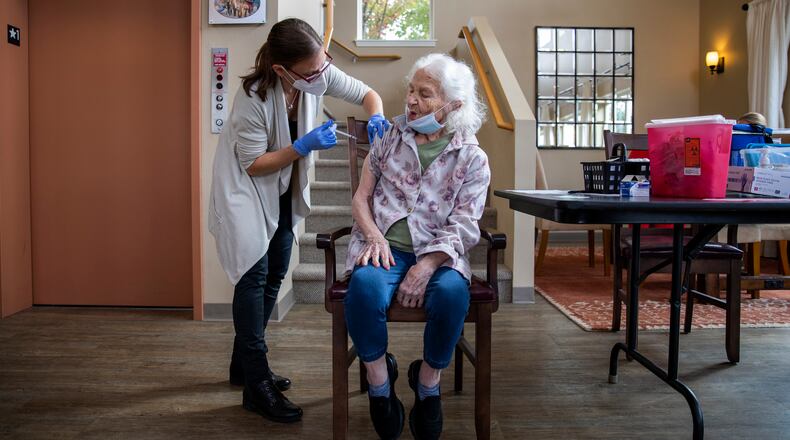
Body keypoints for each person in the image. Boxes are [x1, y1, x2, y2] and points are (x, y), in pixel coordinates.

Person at [208, 18, 389, 424]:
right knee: (252, 277)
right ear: (281, 70)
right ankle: (257, 386)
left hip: (284, 189)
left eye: (323, 65)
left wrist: (375, 116)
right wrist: (302, 145)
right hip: (245, 189)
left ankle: (243, 366)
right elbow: (254, 165)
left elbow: (368, 94)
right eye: (310, 72)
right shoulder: (253, 97)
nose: (319, 76)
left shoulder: (317, 72)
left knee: (275, 273)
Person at [343, 53, 490, 439]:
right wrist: (374, 236)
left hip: (440, 253)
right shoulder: (390, 136)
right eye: (411, 89)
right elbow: (361, 197)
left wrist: (426, 267)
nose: (411, 100)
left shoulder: (472, 157)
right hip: (383, 247)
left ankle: (427, 384)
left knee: (452, 295)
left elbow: (465, 223)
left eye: (424, 94)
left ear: (453, 105)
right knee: (363, 289)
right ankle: (379, 384)